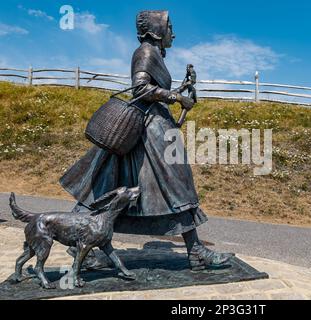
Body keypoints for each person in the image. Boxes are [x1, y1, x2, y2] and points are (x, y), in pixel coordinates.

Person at [60, 10, 233, 271]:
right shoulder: (145, 52)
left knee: (133, 182)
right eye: (169, 27)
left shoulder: (153, 55)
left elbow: (153, 90)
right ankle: (195, 250)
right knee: (176, 182)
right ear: (155, 31)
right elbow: (140, 88)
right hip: (147, 129)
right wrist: (176, 99)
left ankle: (195, 249)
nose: (173, 33)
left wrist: (181, 89)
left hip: (155, 125)